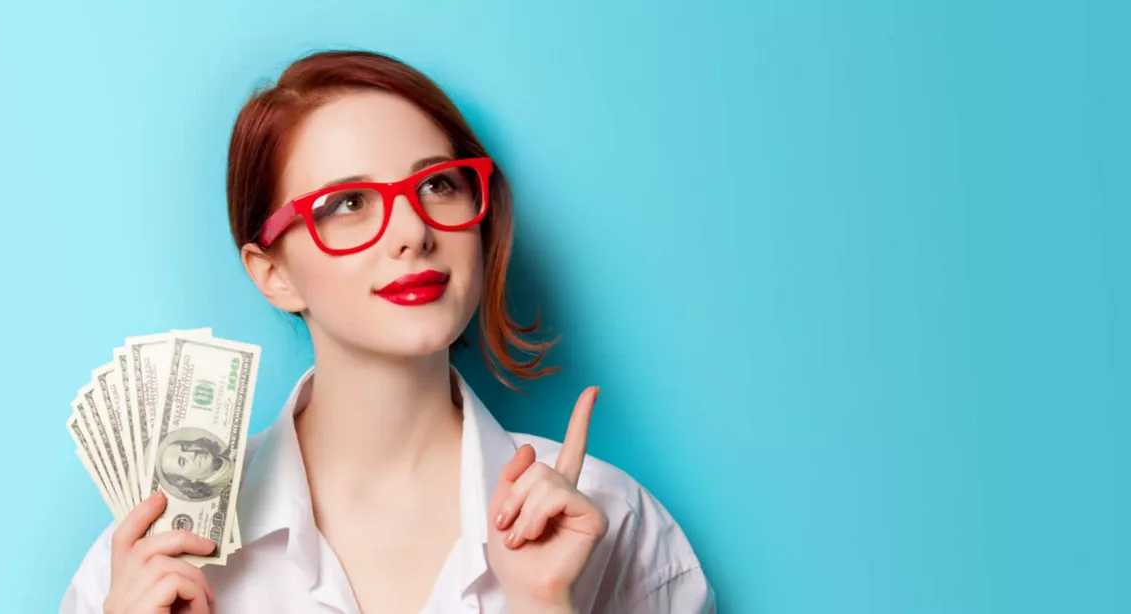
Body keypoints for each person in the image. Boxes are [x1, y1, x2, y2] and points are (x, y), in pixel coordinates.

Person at [60, 49, 714, 613]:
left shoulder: (610, 521)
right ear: (272, 273)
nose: (413, 232)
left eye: (439, 185)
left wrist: (543, 606)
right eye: (347, 203)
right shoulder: (147, 562)